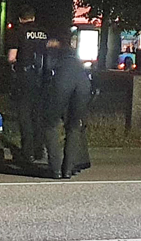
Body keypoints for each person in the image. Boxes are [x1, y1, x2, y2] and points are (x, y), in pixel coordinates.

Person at [42, 37, 92, 179]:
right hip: (82, 84)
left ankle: (55, 169)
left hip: (62, 82)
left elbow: (46, 70)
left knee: (50, 124)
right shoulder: (76, 56)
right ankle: (68, 169)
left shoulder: (53, 52)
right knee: (74, 126)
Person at [6, 5, 48, 165]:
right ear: (33, 17)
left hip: (25, 77)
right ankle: (40, 150)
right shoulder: (44, 33)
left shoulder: (18, 32)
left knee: (25, 116)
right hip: (43, 78)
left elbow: (11, 57)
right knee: (38, 115)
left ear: (20, 19)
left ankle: (28, 152)